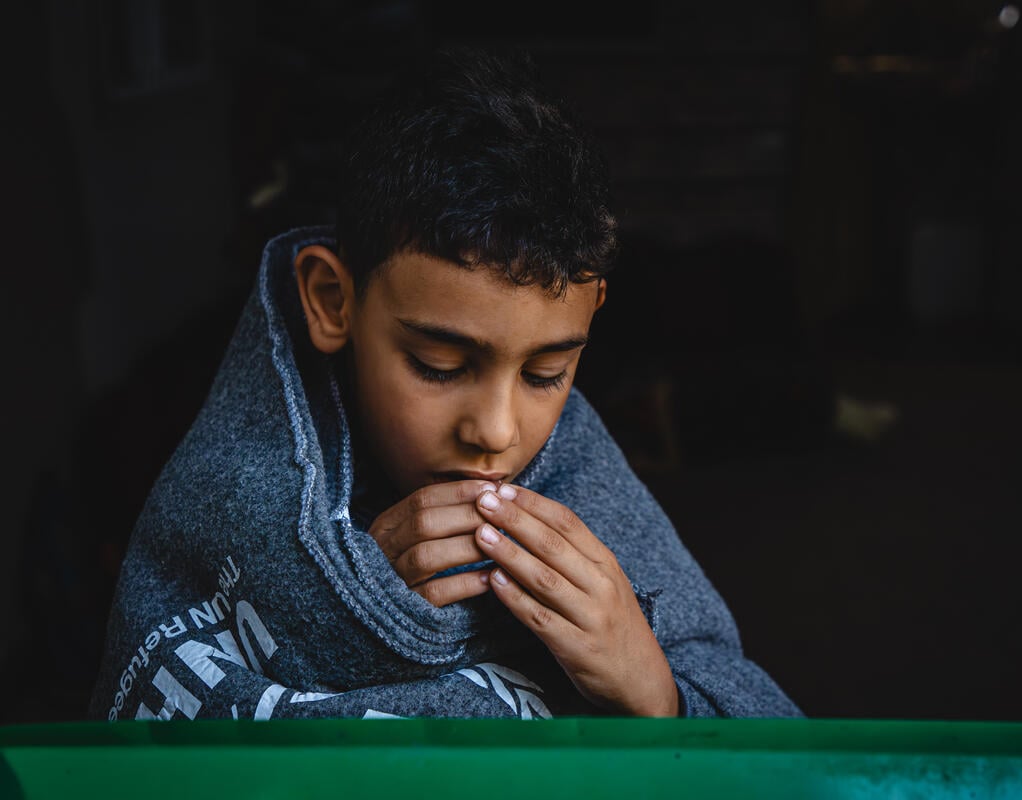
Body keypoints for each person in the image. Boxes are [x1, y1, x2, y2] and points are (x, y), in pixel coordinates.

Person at [87, 47, 801, 720]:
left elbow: (763, 729)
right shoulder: (234, 485)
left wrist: (651, 686)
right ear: (333, 302)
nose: (495, 431)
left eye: (546, 373)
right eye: (440, 364)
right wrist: (350, 614)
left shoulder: (580, 469)